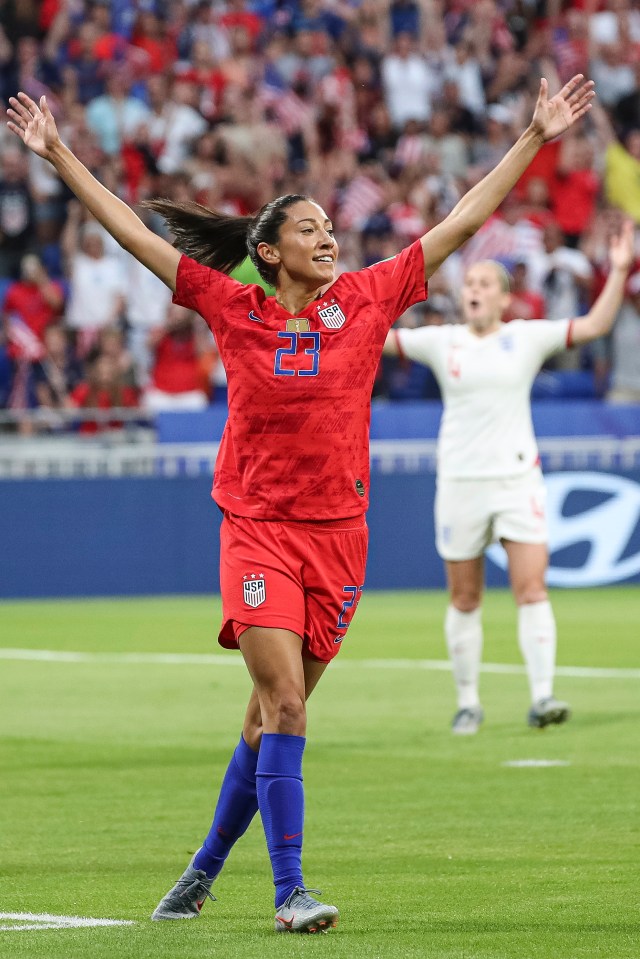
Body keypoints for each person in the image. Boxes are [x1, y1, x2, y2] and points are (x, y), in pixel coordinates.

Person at [6, 77, 594, 932]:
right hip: (257, 534)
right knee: (286, 704)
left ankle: (202, 868)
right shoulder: (232, 306)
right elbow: (135, 234)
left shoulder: (366, 300)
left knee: (264, 718)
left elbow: (462, 219)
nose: (329, 236)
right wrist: (58, 153)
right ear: (271, 251)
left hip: (340, 542)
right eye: (310, 228)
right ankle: (290, 892)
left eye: (330, 225)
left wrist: (534, 137)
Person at [383, 219, 634, 735]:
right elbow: (377, 339)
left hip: (517, 481)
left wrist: (620, 269)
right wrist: (323, 308)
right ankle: (468, 702)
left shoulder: (525, 338)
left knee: (532, 588)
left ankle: (543, 697)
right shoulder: (442, 342)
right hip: (459, 483)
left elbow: (592, 327)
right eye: (469, 285)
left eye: (483, 286)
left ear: (503, 298)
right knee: (465, 597)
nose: (473, 292)